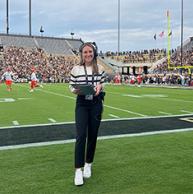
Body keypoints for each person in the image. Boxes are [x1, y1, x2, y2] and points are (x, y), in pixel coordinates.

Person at [69, 42, 105, 186]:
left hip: (96, 103)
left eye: (90, 52)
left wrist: (100, 86)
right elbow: (71, 86)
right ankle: (78, 170)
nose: (88, 54)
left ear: (94, 53)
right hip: (82, 103)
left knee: (93, 134)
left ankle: (88, 163)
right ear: (81, 54)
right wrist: (77, 90)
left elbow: (102, 83)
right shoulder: (76, 69)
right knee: (81, 135)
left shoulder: (100, 68)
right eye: (85, 52)